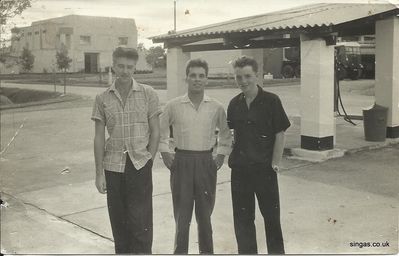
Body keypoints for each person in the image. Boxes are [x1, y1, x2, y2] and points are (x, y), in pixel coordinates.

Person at [91, 47, 161, 254]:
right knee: (119, 225)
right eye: (120, 66)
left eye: (129, 67)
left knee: (141, 225)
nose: (125, 71)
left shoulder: (148, 93)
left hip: (139, 164)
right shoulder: (102, 98)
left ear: (135, 68)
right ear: (113, 65)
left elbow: (156, 131)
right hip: (113, 167)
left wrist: (149, 159)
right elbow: (98, 136)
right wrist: (98, 174)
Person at [159, 58, 232, 254]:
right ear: (187, 78)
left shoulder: (216, 107)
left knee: (205, 216)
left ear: (206, 79)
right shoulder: (174, 105)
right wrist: (165, 153)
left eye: (201, 76)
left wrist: (221, 156)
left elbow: (226, 134)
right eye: (193, 75)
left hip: (205, 163)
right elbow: (161, 130)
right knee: (182, 217)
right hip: (181, 161)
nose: (197, 80)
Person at [227, 56, 290, 254]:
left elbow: (280, 134)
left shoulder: (271, 101)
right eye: (239, 77)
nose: (243, 81)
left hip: (264, 170)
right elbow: (232, 134)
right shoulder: (234, 104)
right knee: (243, 221)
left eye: (247, 76)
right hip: (240, 172)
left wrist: (275, 164)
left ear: (257, 76)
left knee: (271, 219)